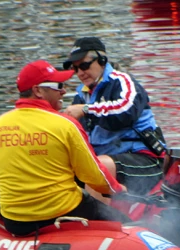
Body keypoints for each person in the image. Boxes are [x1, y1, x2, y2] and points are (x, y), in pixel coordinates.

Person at [0, 60, 128, 237]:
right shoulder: (65, 125)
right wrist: (119, 191)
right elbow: (94, 175)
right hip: (62, 212)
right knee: (125, 224)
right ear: (38, 90)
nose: (63, 91)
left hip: (16, 222)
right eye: (58, 86)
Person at [62, 37, 168, 196]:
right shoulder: (82, 95)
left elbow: (126, 112)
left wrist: (86, 109)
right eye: (76, 69)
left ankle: (101, 218)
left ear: (102, 61)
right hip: (109, 160)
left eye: (84, 65)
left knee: (98, 166)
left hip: (146, 159)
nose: (80, 73)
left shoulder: (123, 81)